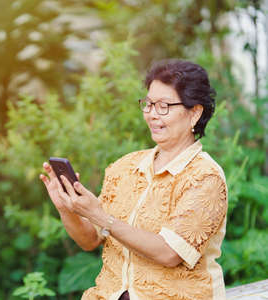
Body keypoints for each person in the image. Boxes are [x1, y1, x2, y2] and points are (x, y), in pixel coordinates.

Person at [40, 60, 228, 300]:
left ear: (194, 113)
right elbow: (90, 239)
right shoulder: (125, 167)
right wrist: (67, 209)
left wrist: (101, 216)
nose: (151, 114)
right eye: (148, 104)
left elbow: (170, 253)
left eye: (164, 106)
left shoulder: (205, 176)